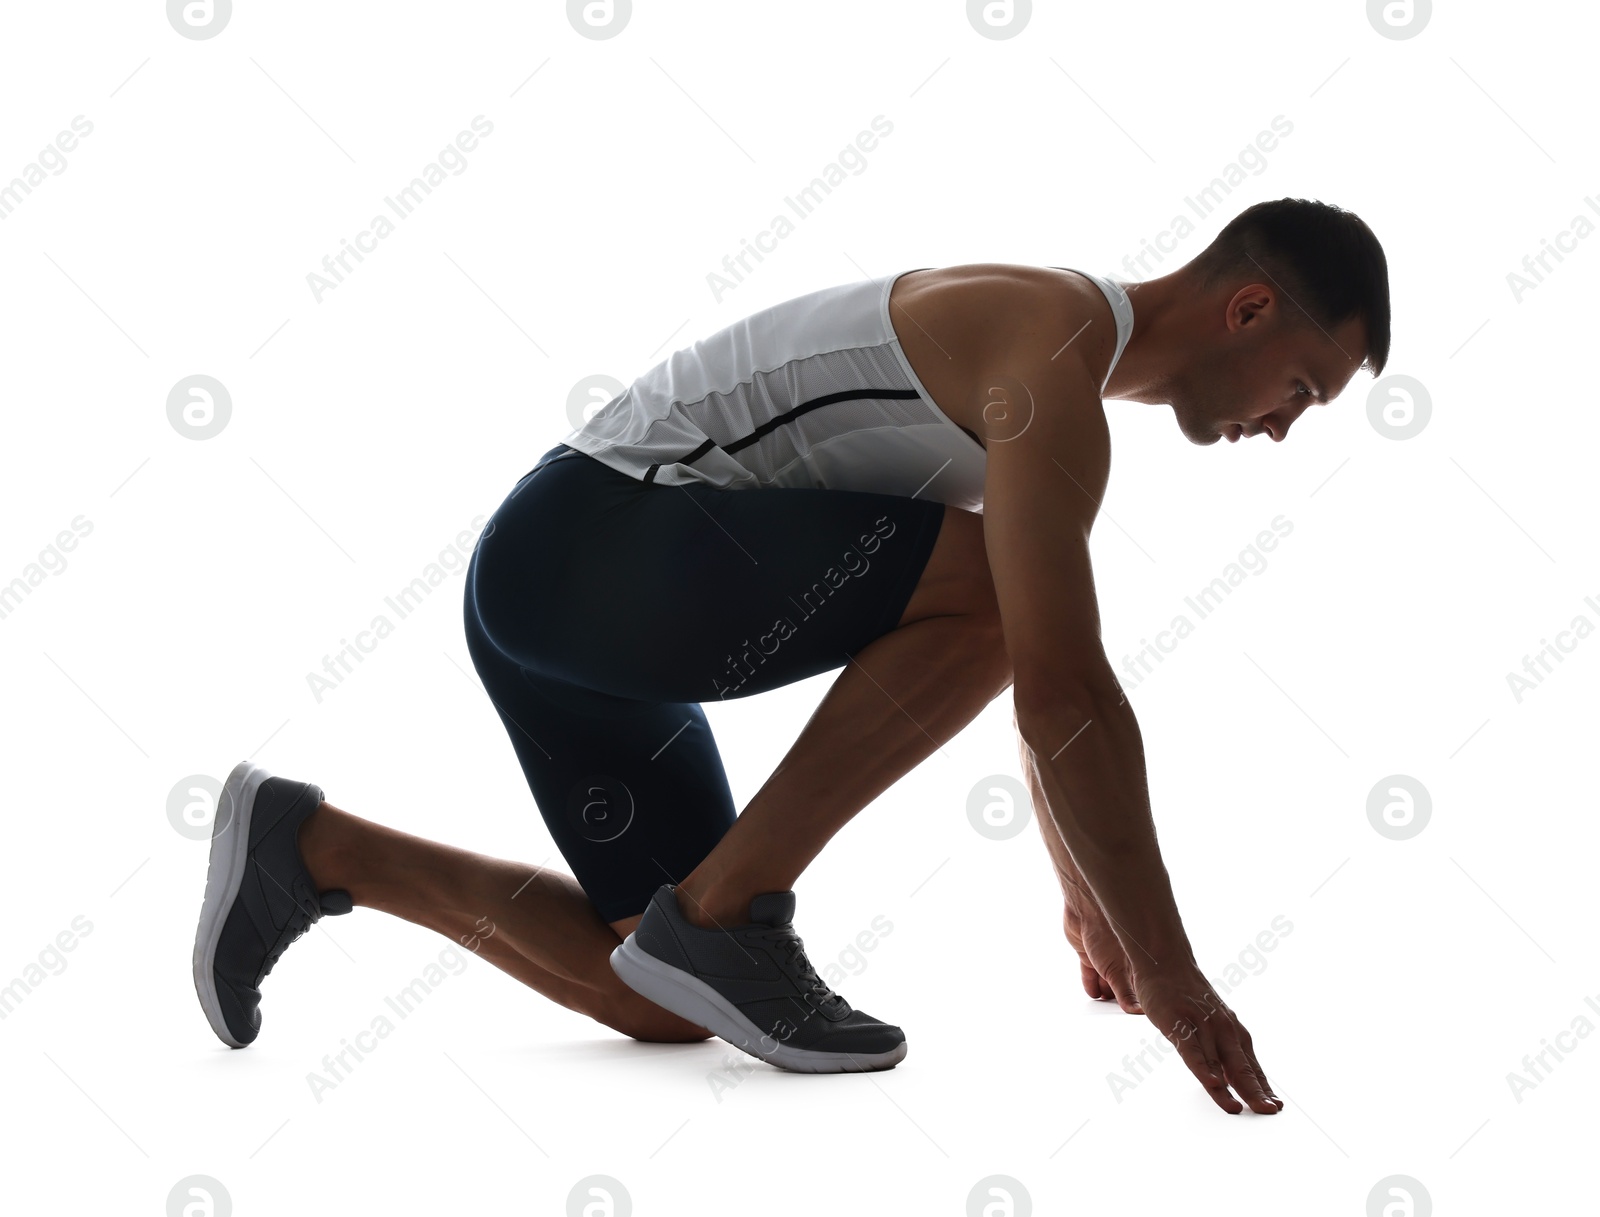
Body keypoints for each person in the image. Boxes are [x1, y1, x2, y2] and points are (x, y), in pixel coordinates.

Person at [191, 197, 1389, 1114]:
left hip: (564, 598)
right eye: (1303, 388)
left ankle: (313, 845)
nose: (1284, 425)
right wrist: (1175, 977)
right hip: (586, 550)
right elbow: (1058, 680)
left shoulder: (1057, 366)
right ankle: (726, 915)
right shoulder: (1046, 345)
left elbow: (1043, 672)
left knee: (649, 991)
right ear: (1247, 310)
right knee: (982, 597)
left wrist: (1085, 889)